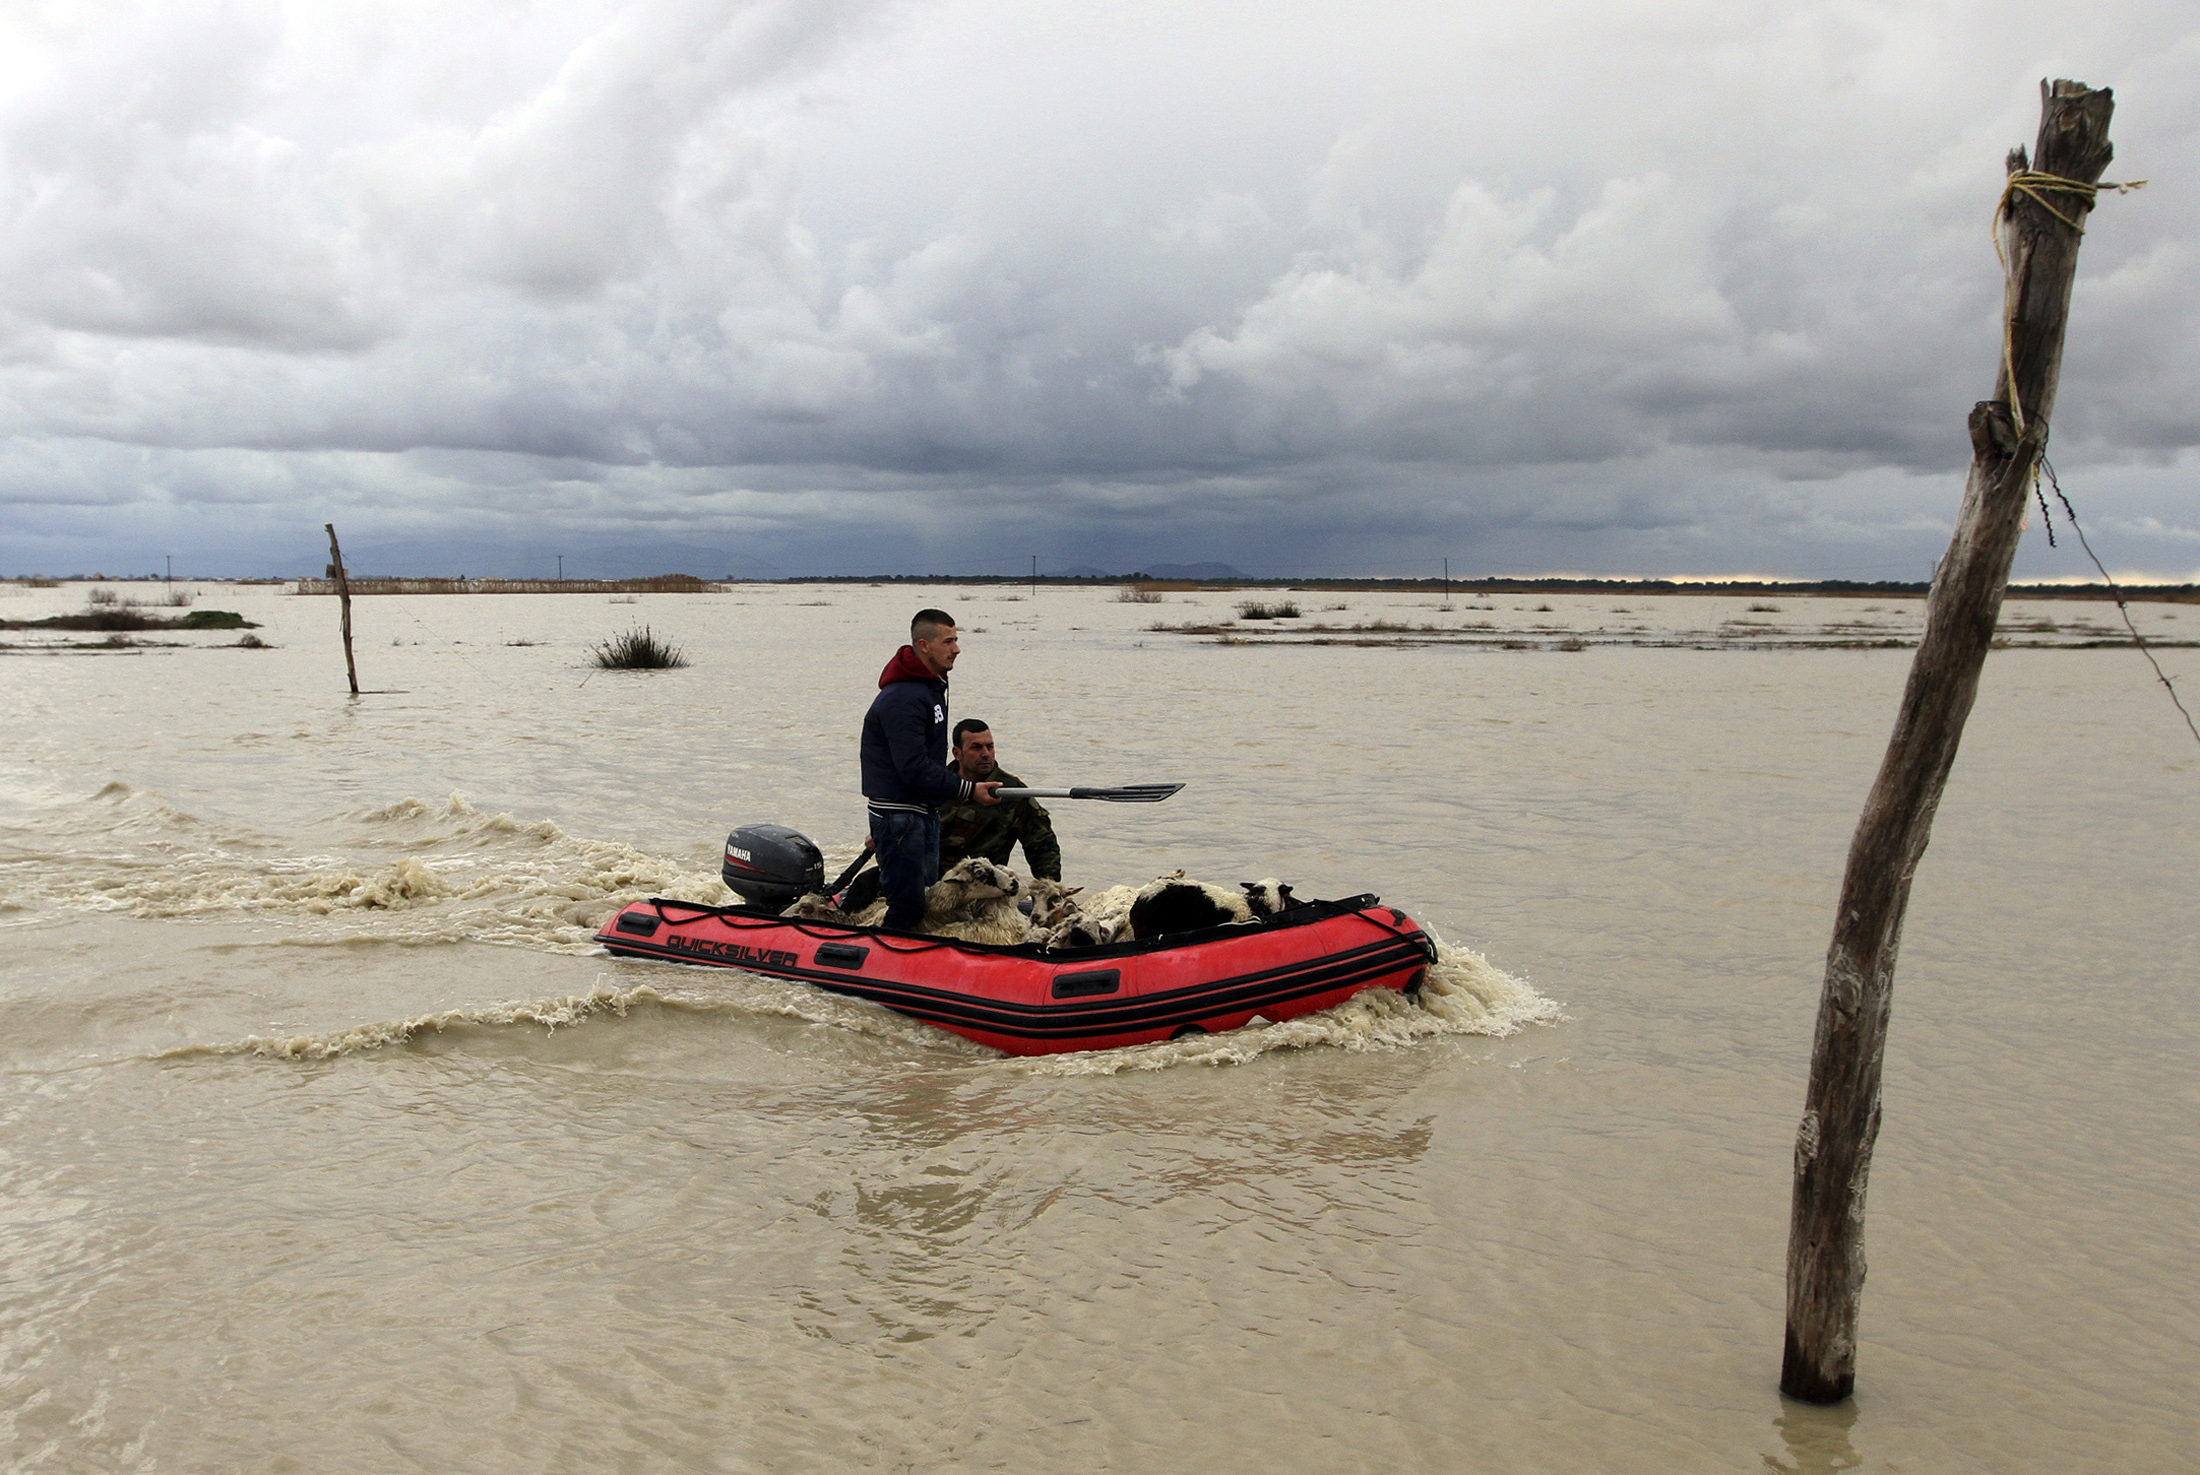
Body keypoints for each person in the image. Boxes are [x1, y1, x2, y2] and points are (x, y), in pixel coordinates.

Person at [860, 609, 1000, 929]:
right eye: (948, 641)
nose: (956, 649)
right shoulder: (903, 697)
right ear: (924, 645)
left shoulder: (930, 689)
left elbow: (928, 764)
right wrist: (968, 789)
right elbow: (912, 766)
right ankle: (886, 968)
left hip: (923, 813)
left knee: (928, 902)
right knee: (908, 906)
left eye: (956, 640)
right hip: (898, 817)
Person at [939, 720, 1062, 881]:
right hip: (932, 883)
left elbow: (1043, 846)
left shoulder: (1012, 792)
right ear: (957, 753)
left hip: (984, 886)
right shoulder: (937, 783)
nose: (986, 754)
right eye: (976, 747)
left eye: (990, 747)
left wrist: (1049, 890)